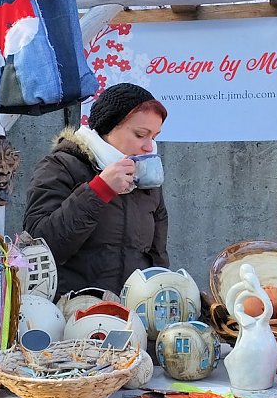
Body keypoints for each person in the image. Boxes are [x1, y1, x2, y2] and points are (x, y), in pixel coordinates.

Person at [23, 83, 169, 299]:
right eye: (140, 134)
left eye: (154, 137)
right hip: (72, 313)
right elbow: (41, 247)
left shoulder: (145, 178)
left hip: (133, 315)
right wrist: (99, 190)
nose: (149, 147)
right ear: (108, 127)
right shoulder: (60, 167)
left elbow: (158, 256)